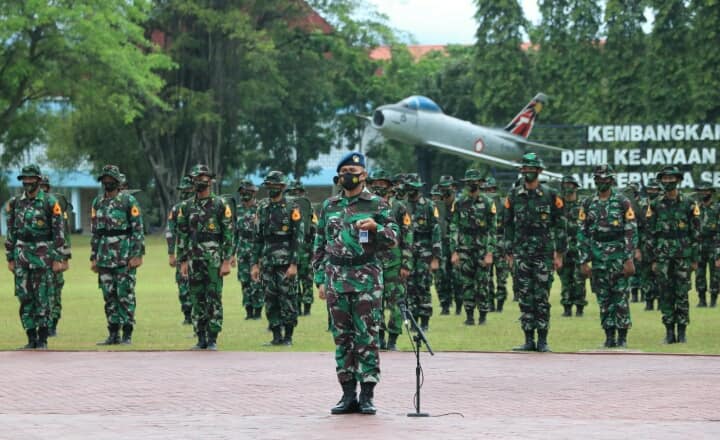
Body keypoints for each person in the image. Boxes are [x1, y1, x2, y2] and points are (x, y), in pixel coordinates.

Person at [313, 152, 398, 415]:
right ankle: (347, 394)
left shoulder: (378, 204)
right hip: (337, 279)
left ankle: (367, 395)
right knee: (342, 339)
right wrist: (319, 278)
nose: (349, 174)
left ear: (364, 175)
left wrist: (376, 228)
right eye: (345, 169)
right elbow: (319, 243)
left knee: (367, 337)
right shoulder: (329, 205)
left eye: (354, 169)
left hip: (367, 280)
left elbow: (394, 238)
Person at [504, 153, 566, 352]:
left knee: (541, 297)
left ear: (539, 171)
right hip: (522, 253)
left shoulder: (550, 194)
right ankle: (528, 339)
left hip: (543, 253)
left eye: (533, 169)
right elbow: (507, 225)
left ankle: (543, 340)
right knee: (525, 297)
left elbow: (560, 224)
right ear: (522, 171)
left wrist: (559, 254)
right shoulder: (513, 195)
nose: (529, 172)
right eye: (526, 168)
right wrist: (509, 251)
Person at [5, 165, 69, 349]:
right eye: (24, 179)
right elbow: (11, 232)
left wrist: (58, 257)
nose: (27, 182)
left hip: (43, 256)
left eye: (31, 179)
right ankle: (30, 337)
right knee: (24, 297)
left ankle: (42, 339)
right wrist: (10, 256)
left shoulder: (50, 202)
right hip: (21, 255)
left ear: (39, 181)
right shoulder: (16, 203)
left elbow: (59, 233)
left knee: (42, 297)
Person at [577, 165, 638, 348]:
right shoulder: (588, 203)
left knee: (620, 297)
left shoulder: (622, 201)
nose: (602, 182)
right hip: (597, 257)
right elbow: (582, 233)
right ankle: (609, 335)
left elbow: (630, 230)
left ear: (611, 180)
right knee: (603, 298)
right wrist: (584, 260)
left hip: (618, 257)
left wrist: (629, 258)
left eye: (605, 179)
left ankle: (622, 337)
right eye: (598, 179)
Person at [177, 164, 234, 350]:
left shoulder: (219, 204)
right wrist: (183, 260)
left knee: (214, 297)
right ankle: (200, 336)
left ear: (210, 181)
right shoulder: (186, 206)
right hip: (194, 258)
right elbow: (183, 234)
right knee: (196, 297)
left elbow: (228, 233)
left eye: (203, 177)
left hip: (214, 259)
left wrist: (227, 260)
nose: (200, 181)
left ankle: (213, 338)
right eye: (196, 178)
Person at [646, 166, 700, 344]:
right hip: (662, 256)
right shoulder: (655, 204)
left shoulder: (689, 203)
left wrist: (694, 259)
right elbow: (650, 233)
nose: (668, 182)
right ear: (661, 181)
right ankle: (669, 332)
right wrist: (653, 259)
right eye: (665, 179)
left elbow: (696, 233)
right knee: (665, 293)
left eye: (671, 179)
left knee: (682, 293)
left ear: (678, 180)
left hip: (683, 255)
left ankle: (682, 332)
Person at [91, 165, 144, 345]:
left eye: (110, 179)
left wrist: (137, 254)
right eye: (104, 179)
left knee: (125, 295)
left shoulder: (128, 201)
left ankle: (127, 334)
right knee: (109, 296)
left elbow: (138, 230)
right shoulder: (97, 203)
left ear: (117, 181)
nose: (107, 182)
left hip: (124, 257)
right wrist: (93, 257)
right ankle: (113, 334)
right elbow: (95, 232)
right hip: (104, 257)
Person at [251, 171, 303, 346]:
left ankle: (288, 336)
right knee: (270, 298)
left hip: (286, 262)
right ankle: (275, 335)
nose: (272, 188)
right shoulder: (262, 208)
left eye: (275, 185)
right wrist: (255, 264)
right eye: (269, 185)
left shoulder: (292, 207)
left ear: (282, 187)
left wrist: (294, 264)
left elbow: (298, 238)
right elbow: (257, 238)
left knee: (287, 298)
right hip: (267, 261)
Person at [367, 168, 412, 351]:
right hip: (372, 261)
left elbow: (407, 236)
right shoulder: (366, 206)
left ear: (389, 186)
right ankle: (379, 338)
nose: (378, 186)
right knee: (374, 302)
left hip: (394, 262)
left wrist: (406, 263)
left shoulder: (399, 207)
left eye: (382, 183)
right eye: (375, 183)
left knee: (396, 301)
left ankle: (393, 339)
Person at [450, 169, 496, 325]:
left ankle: (483, 316)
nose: (472, 184)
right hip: (465, 249)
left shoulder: (488, 203)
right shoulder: (460, 203)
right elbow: (454, 227)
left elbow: (493, 229)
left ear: (480, 183)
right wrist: (454, 251)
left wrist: (490, 252)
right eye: (469, 181)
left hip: (482, 249)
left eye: (475, 181)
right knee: (466, 284)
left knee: (483, 283)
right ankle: (469, 316)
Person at [404, 173, 441, 331]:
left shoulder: (428, 205)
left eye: (414, 187)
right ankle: (413, 321)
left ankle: (425, 320)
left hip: (425, 253)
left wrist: (435, 257)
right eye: (409, 187)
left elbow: (436, 231)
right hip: (408, 253)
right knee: (409, 287)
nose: (411, 190)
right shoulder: (402, 206)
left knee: (424, 286)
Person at [39, 175, 72, 337]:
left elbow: (65, 233)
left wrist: (65, 257)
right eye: (41, 186)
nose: (42, 189)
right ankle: (42, 324)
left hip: (55, 254)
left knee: (55, 291)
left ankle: (53, 324)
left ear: (48, 188)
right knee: (39, 292)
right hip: (38, 256)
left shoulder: (55, 205)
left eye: (45, 186)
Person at [166, 176, 195, 324]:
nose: (184, 193)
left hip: (199, 252)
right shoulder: (176, 209)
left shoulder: (200, 206)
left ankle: (199, 315)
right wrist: (171, 253)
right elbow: (170, 232)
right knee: (182, 282)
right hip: (183, 252)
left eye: (187, 190)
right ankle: (187, 315)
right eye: (182, 191)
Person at [285, 180, 316, 316]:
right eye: (293, 192)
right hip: (294, 249)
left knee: (307, 279)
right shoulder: (287, 208)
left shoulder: (308, 208)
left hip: (306, 249)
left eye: (298, 192)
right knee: (294, 280)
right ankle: (297, 307)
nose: (296, 194)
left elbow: (314, 226)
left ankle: (307, 308)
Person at [558, 175, 587, 317]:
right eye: (565, 185)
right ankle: (567, 307)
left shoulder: (583, 205)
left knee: (579, 279)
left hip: (579, 248)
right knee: (565, 279)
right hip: (563, 249)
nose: (567, 187)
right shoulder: (558, 206)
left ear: (576, 187)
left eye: (570, 184)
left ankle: (580, 307)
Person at [234, 180, 263, 320]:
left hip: (256, 250)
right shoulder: (237, 210)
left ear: (253, 193)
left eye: (247, 192)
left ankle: (257, 311)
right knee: (244, 281)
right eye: (242, 192)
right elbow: (234, 233)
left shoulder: (260, 209)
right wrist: (231, 254)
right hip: (242, 251)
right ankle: (248, 310)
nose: (244, 195)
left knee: (256, 281)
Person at [482, 176, 509, 313]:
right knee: (487, 277)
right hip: (487, 245)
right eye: (486, 189)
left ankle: (500, 304)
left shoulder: (503, 204)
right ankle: (490, 303)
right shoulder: (481, 204)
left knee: (502, 278)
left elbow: (509, 225)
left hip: (501, 244)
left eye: (490, 189)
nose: (488, 192)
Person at [434, 175, 459, 315]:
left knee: (457, 276)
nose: (445, 190)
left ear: (453, 188)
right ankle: (445, 305)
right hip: (442, 243)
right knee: (441, 275)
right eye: (442, 188)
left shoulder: (460, 204)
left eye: (447, 187)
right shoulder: (437, 206)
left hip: (458, 244)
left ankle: (460, 304)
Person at [694, 183, 719, 308]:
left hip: (714, 244)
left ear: (711, 192)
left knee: (715, 273)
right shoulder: (696, 208)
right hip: (699, 245)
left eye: (706, 191)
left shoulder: (717, 208)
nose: (703, 193)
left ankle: (713, 299)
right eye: (701, 191)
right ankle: (702, 299)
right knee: (699, 273)